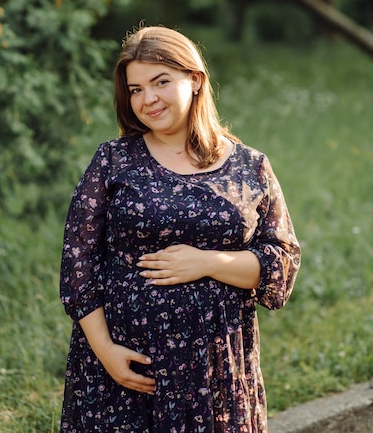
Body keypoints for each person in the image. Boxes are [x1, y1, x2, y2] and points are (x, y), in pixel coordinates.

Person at [59, 24, 301, 433]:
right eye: (136, 89)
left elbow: (281, 265)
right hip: (127, 368)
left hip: (216, 372)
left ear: (195, 79)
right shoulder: (114, 161)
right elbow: (78, 264)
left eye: (160, 82)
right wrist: (106, 352)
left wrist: (207, 263)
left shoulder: (250, 167)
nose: (148, 99)